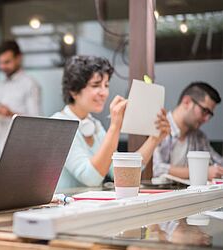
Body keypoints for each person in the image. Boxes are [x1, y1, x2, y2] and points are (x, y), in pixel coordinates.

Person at [51, 55, 170, 189]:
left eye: (106, 85)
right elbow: (91, 178)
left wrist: (154, 139)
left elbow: (122, 172)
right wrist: (115, 126)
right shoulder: (58, 125)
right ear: (73, 90)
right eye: (96, 85)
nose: (104, 92)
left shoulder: (95, 126)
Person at [153, 82, 223, 180]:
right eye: (204, 111)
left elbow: (218, 162)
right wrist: (201, 172)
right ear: (186, 102)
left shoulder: (199, 137)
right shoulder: (159, 126)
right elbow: (156, 169)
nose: (206, 119)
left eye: (209, 114)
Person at [0, 40, 41, 166]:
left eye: (7, 62)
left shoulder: (30, 84)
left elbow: (37, 122)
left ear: (19, 58)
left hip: (16, 152)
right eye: (0, 63)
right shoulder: (0, 85)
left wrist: (10, 113)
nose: (2, 67)